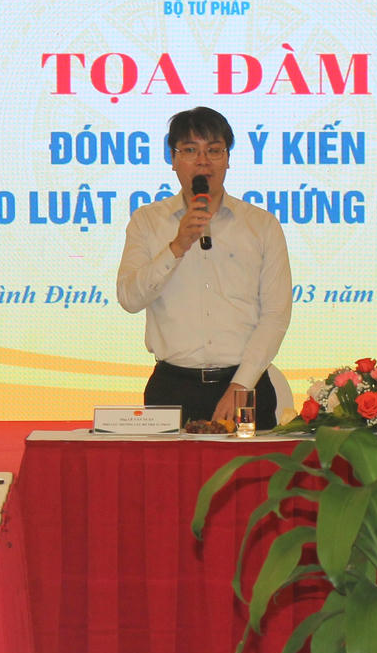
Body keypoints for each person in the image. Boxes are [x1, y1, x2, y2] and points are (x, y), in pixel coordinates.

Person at [116, 106, 292, 428]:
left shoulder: (261, 225)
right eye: (190, 150)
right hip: (172, 388)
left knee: (252, 464)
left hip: (245, 387)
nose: (203, 161)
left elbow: (275, 314)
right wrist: (177, 246)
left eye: (214, 150)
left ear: (227, 158)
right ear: (173, 159)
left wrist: (241, 385)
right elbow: (129, 298)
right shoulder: (147, 222)